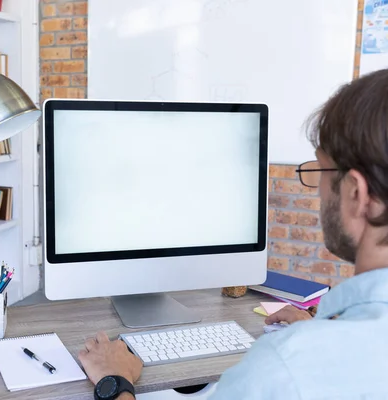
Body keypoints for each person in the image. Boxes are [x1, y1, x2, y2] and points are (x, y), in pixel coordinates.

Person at [78, 69, 388, 399]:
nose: (318, 189)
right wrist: (321, 335)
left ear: (356, 192)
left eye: (320, 170)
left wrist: (114, 382)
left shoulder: (287, 367)